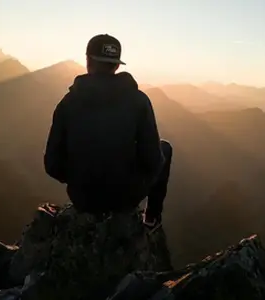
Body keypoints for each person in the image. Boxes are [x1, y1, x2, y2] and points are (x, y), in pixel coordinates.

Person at [44, 34, 172, 228]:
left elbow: (52, 164)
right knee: (165, 148)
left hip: (83, 198)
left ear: (88, 61)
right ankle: (151, 218)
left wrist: (81, 176)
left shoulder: (68, 103)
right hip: (125, 199)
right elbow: (153, 159)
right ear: (117, 65)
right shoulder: (139, 101)